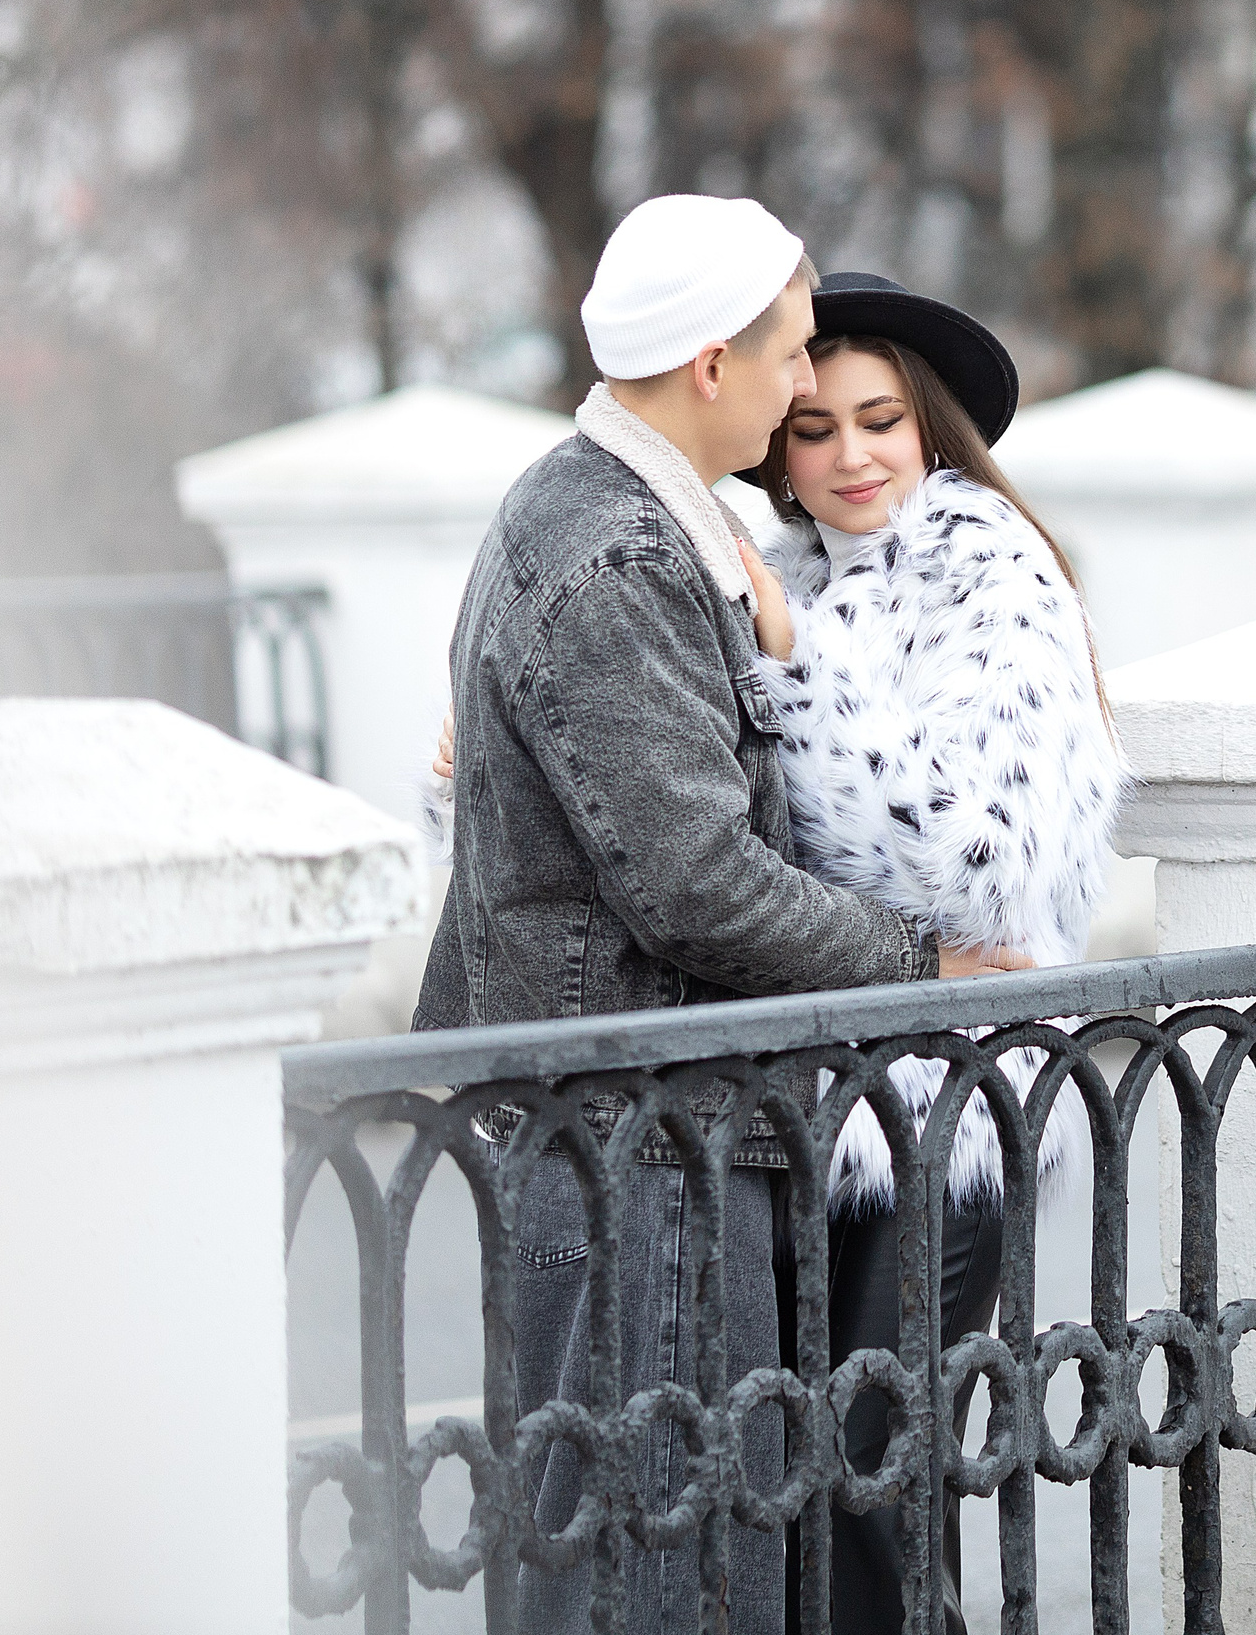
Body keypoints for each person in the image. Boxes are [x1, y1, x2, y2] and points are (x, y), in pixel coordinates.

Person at [414, 195, 1022, 1635]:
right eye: (794, 356)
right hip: (640, 1139)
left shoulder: (617, 520)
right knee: (664, 1577)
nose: (805, 385)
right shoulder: (619, 555)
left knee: (643, 1551)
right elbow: (692, 880)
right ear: (708, 366)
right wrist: (913, 962)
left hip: (640, 1125)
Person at [746, 272, 1126, 1635]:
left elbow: (982, 865)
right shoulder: (783, 578)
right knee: (790, 1465)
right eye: (812, 428)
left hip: (949, 1101)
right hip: (809, 1098)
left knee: (873, 1464)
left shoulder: (991, 567)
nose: (850, 456)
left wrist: (799, 676)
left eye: (881, 421)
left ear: (932, 432)